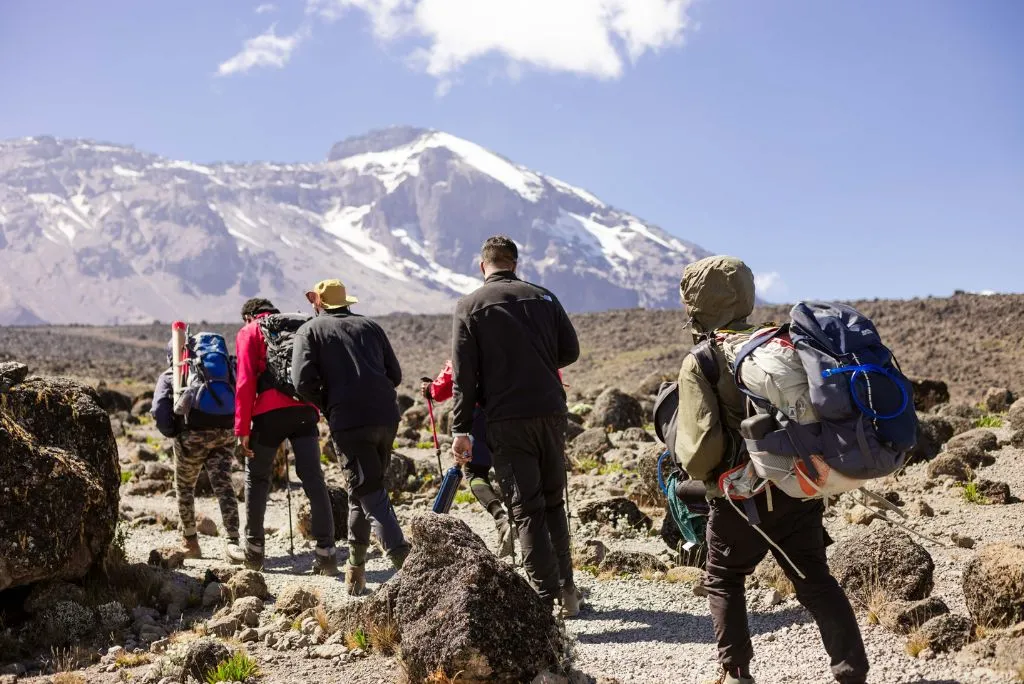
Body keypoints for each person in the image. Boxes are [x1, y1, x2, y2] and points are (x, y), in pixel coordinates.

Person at [674, 256, 869, 684]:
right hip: (798, 482)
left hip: (740, 498)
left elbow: (702, 449)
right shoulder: (778, 343)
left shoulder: (703, 359)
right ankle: (851, 671)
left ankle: (737, 673)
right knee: (815, 579)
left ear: (697, 303)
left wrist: (696, 475)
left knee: (724, 577)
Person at [449, 235, 582, 616]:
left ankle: (544, 602)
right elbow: (569, 351)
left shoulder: (469, 306)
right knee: (555, 501)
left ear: (482, 265)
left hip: (507, 418)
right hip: (551, 411)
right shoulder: (543, 297)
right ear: (515, 263)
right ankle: (568, 591)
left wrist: (462, 429)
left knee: (526, 507)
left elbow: (464, 375)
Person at [291, 279, 411, 596]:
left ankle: (411, 571)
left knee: (370, 493)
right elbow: (395, 375)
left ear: (318, 302)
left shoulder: (311, 330)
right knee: (359, 492)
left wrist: (328, 402)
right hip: (387, 417)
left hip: (350, 421)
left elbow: (301, 382)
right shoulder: (370, 327)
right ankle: (355, 569)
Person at [235, 297, 338, 575]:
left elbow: (245, 382)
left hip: (268, 414)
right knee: (313, 478)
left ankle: (254, 553)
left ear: (248, 316)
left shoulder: (250, 331)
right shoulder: (302, 326)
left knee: (257, 478)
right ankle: (327, 553)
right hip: (305, 409)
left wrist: (242, 428)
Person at [152, 342, 245, 564]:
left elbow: (159, 410)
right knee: (224, 484)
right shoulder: (219, 370)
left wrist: (175, 432)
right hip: (225, 432)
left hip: (192, 437)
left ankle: (191, 542)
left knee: (185, 487)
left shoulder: (173, 374)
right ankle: (233, 541)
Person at [421, 361, 515, 558]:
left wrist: (430, 389)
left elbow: (442, 387)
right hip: (514, 414)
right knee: (515, 469)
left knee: (475, 472)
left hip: (479, 417)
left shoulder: (468, 345)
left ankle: (501, 518)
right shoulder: (517, 338)